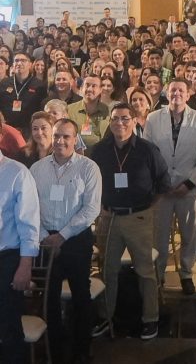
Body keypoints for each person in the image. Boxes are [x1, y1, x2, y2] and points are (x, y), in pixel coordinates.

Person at [90, 103, 170, 341]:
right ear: (110, 122)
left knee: (145, 271)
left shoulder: (147, 150)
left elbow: (163, 183)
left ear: (134, 121)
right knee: (108, 270)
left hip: (139, 217)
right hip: (109, 218)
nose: (120, 123)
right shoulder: (99, 150)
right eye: (115, 118)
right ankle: (106, 317)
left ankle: (150, 319)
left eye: (125, 118)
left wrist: (146, 208)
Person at [29, 119, 101, 364]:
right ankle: (54, 348)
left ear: (75, 139)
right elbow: (30, 207)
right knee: (48, 297)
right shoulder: (37, 169)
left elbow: (91, 209)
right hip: (45, 240)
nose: (60, 141)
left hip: (76, 239)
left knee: (81, 295)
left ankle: (82, 348)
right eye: (57, 135)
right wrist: (44, 237)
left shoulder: (88, 168)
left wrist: (62, 236)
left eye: (66, 136)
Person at [143, 78, 196, 295]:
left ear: (188, 94)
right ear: (167, 93)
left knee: (189, 233)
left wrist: (189, 183)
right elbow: (148, 154)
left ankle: (186, 273)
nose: (177, 94)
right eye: (173, 90)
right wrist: (160, 182)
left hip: (188, 188)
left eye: (181, 91)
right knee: (159, 235)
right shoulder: (153, 118)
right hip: (162, 190)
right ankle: (159, 274)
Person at [0, 134, 40, 363]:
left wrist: (25, 266)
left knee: (9, 327)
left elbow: (29, 224)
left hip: (6, 258)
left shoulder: (17, 172)